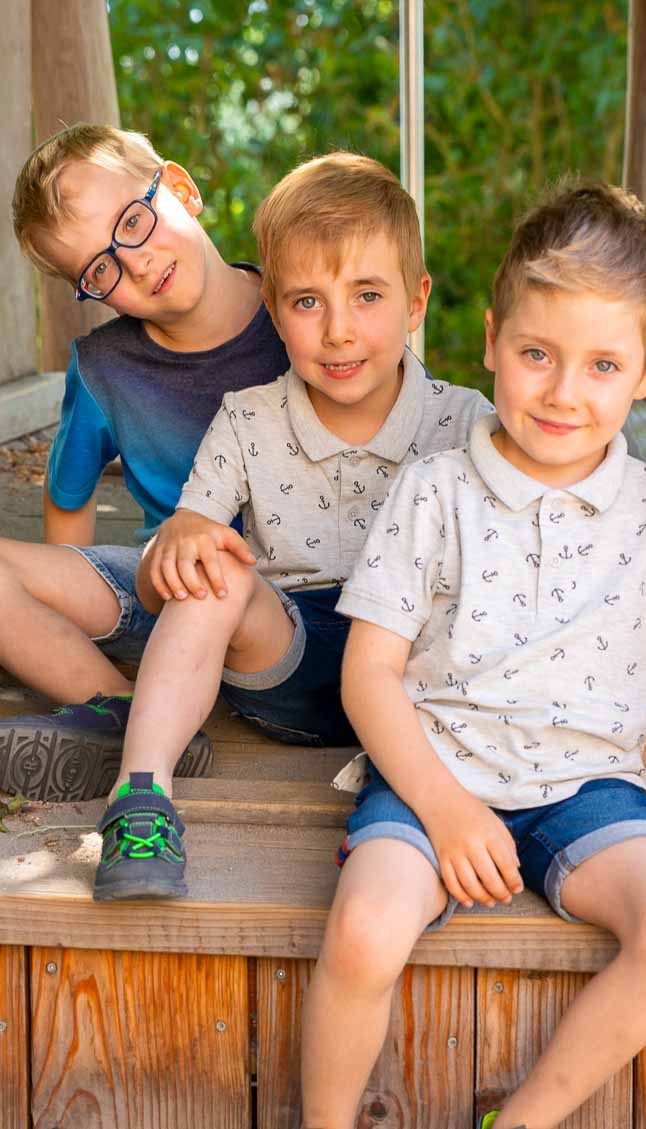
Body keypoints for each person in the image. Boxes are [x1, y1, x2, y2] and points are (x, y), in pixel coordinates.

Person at [301, 181, 646, 1129]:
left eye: (601, 365)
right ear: (492, 339)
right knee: (365, 926)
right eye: (537, 354)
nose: (561, 391)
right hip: (432, 773)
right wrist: (445, 806)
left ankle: (525, 1118)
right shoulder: (437, 490)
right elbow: (368, 671)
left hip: (593, 789)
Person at [90, 151, 493, 901]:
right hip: (292, 664)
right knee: (215, 570)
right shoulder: (248, 417)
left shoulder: (465, 422)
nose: (338, 330)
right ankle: (140, 795)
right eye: (307, 302)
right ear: (273, 312)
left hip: (423, 681)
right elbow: (167, 571)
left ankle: (594, 749)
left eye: (367, 295)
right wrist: (178, 538)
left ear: (417, 302)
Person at [0, 123, 289, 802]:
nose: (135, 263)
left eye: (134, 220)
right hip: (164, 589)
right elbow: (68, 500)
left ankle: (139, 729)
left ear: (181, 189)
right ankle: (131, 715)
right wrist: (62, 627)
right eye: (99, 270)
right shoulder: (102, 370)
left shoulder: (302, 310)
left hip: (283, 607)